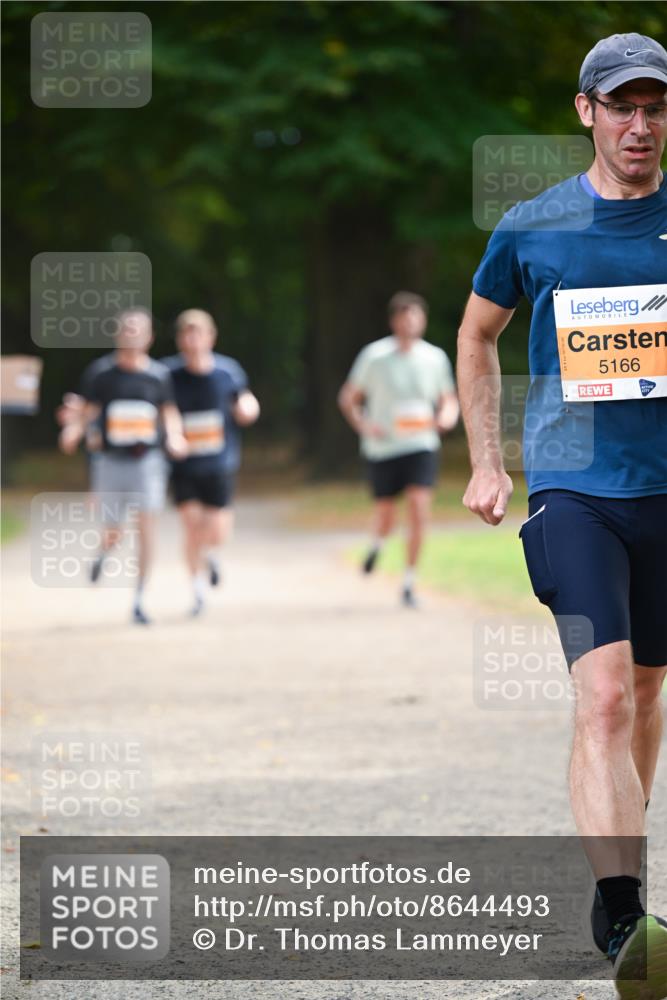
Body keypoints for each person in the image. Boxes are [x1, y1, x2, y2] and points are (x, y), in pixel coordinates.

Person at [457, 32, 667, 996]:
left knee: (648, 697)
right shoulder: (533, 226)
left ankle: (624, 880)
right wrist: (486, 462)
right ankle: (621, 909)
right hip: (575, 495)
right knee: (605, 696)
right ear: (584, 111)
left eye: (654, 107)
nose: (639, 124)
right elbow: (475, 334)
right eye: (620, 106)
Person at [59, 308, 187, 624]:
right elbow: (87, 412)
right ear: (118, 335)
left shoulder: (158, 375)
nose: (132, 334)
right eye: (126, 329)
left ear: (149, 337)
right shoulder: (101, 374)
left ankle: (140, 599)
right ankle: (104, 553)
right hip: (111, 461)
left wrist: (175, 436)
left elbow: (168, 412)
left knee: (146, 529)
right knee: (114, 531)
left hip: (147, 461)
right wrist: (73, 430)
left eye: (138, 329)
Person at [338, 291, 459, 608]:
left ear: (423, 320)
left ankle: (408, 582)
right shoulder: (374, 356)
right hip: (384, 447)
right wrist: (364, 425)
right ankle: (377, 544)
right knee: (386, 514)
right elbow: (348, 397)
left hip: (421, 444)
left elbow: (448, 398)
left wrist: (446, 416)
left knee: (419, 509)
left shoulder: (434, 357)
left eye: (416, 316)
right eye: (404, 316)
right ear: (394, 321)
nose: (410, 322)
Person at [162, 309, 259, 616]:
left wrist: (248, 408)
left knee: (216, 529)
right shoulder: (168, 375)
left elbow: (243, 399)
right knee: (191, 525)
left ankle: (212, 555)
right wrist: (172, 436)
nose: (193, 339)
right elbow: (162, 409)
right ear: (179, 339)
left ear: (211, 337)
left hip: (219, 462)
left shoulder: (228, 371)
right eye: (187, 333)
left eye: (198, 333)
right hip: (184, 464)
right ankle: (198, 590)